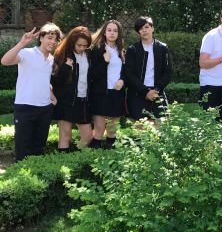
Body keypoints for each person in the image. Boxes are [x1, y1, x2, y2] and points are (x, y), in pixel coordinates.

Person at [1, 24, 61, 161]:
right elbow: (5, 61)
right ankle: (19, 174)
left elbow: (43, 80)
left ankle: (34, 173)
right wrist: (21, 43)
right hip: (25, 107)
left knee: (38, 148)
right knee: (22, 148)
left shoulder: (52, 60)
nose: (53, 42)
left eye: (55, 39)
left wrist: (52, 95)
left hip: (45, 109)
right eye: (49, 38)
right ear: (41, 38)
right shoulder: (27, 53)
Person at [51, 25, 93, 152]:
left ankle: (77, 159)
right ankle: (63, 162)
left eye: (85, 45)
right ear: (72, 42)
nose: (82, 48)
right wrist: (66, 68)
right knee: (65, 136)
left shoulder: (89, 55)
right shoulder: (62, 54)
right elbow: (53, 81)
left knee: (88, 136)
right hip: (66, 101)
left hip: (83, 100)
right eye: (79, 45)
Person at [124, 16, 173, 121]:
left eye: (146, 27)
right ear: (138, 32)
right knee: (141, 127)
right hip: (138, 93)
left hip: (157, 92)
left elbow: (168, 72)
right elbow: (129, 74)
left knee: (161, 126)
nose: (144, 30)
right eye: (141, 28)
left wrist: (156, 90)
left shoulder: (162, 48)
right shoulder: (133, 49)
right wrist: (145, 91)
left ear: (152, 28)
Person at [89, 20, 126, 149]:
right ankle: (94, 154)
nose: (112, 33)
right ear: (104, 32)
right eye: (109, 30)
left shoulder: (121, 51)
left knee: (112, 127)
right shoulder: (97, 49)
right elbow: (93, 74)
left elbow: (126, 71)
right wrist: (105, 62)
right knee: (99, 128)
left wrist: (122, 80)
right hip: (101, 93)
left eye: (115, 31)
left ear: (119, 34)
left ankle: (111, 152)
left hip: (117, 92)